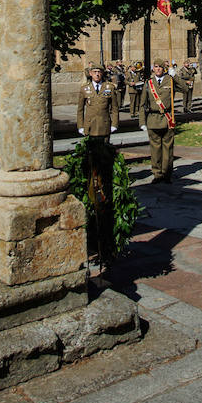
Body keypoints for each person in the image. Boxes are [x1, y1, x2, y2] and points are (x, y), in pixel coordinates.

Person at [77, 62, 122, 266]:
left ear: (103, 74)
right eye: (94, 72)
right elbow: (80, 109)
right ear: (90, 74)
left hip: (103, 128)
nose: (97, 75)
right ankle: (92, 179)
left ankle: (104, 179)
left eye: (99, 72)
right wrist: (80, 126)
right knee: (90, 159)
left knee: (104, 158)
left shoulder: (109, 88)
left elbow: (114, 107)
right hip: (89, 128)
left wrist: (114, 124)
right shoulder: (84, 89)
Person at [140, 59, 188, 183]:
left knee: (168, 148)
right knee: (155, 149)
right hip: (153, 119)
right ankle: (157, 174)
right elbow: (142, 104)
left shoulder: (170, 80)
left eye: (160, 67)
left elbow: (186, 88)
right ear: (153, 69)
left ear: (164, 69)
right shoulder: (148, 83)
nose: (158, 69)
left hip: (167, 119)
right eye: (156, 67)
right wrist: (142, 122)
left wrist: (175, 75)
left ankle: (167, 174)